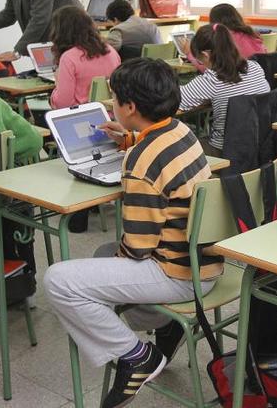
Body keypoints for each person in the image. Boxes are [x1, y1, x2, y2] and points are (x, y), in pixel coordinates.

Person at [44, 58, 218, 408]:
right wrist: (131, 140)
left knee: (59, 280)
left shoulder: (140, 162)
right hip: (207, 264)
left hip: (179, 275)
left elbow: (138, 249)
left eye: (113, 100)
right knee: (102, 255)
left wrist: (134, 151)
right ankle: (163, 325)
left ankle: (136, 355)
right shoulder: (180, 131)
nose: (111, 106)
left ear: (130, 107)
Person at [179, 24, 270, 156]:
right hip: (262, 148)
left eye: (199, 61)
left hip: (226, 152)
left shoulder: (212, 80)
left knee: (174, 147)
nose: (201, 65)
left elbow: (174, 100)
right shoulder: (255, 67)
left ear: (206, 55)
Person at [49, 5, 121, 109]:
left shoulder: (68, 58)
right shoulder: (111, 51)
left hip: (81, 117)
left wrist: (57, 86)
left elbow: (63, 104)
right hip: (112, 115)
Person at [186, 3, 267, 73]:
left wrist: (189, 54)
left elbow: (213, 70)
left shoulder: (225, 39)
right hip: (259, 79)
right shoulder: (252, 34)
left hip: (237, 82)